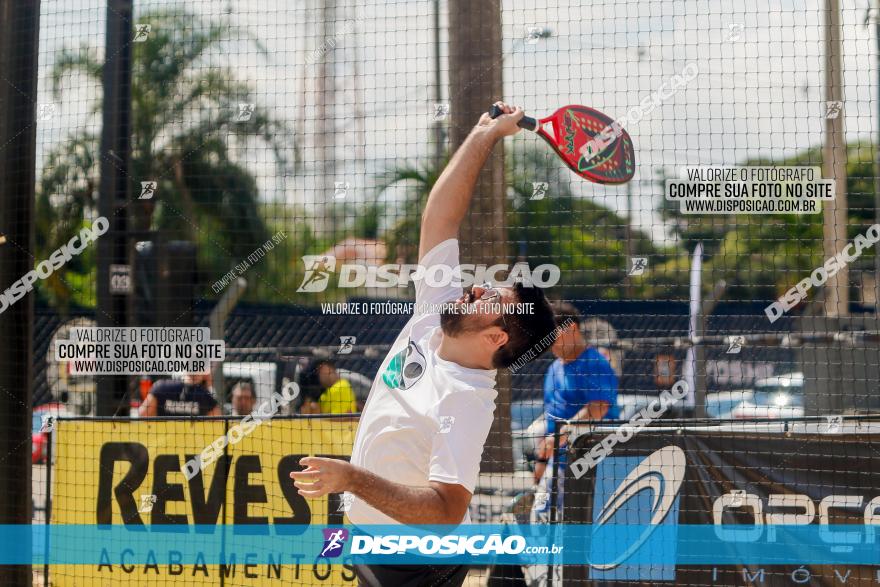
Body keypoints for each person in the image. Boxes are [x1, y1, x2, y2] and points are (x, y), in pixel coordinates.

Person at [289, 102, 557, 587]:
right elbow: (440, 216)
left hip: (419, 565)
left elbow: (445, 510)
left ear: (496, 336)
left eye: (488, 297)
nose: (475, 288)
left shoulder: (466, 401)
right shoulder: (437, 312)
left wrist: (351, 479)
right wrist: (484, 135)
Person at [534, 301, 619, 483]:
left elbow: (598, 408)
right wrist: (541, 462)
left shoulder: (594, 363)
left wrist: (560, 435)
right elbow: (552, 420)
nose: (548, 343)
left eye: (551, 335)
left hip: (595, 466)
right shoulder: (553, 369)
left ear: (571, 328)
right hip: (559, 467)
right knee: (541, 511)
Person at [138, 372, 221, 417]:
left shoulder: (161, 387)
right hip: (194, 445)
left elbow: (143, 413)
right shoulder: (206, 396)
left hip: (162, 443)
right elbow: (217, 423)